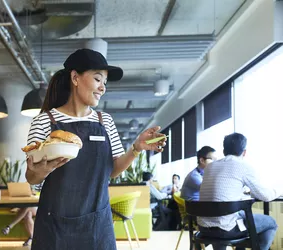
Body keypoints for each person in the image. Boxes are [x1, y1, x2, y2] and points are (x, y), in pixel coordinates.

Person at [25, 48, 167, 250]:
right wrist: (42, 171)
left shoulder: (105, 121)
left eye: (105, 83)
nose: (103, 88)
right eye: (98, 79)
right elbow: (31, 177)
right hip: (54, 226)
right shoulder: (44, 121)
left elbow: (113, 170)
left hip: (97, 226)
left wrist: (136, 148)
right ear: (75, 78)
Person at [198, 133, 281, 250]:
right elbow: (266, 196)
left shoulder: (209, 167)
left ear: (224, 151)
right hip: (226, 229)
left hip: (203, 227)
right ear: (244, 152)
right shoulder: (243, 166)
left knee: (231, 216)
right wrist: (279, 190)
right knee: (271, 222)